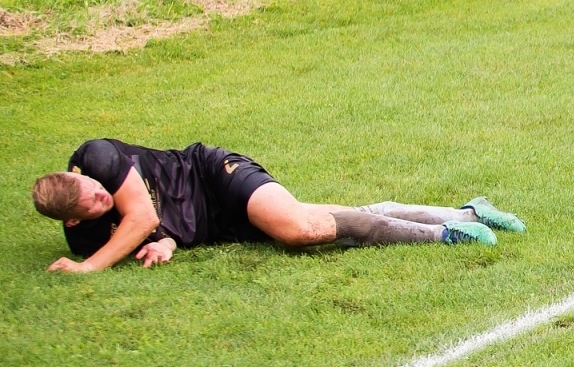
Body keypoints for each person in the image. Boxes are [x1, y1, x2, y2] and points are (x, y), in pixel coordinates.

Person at [31, 137, 527, 272]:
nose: (101, 191)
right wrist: (165, 244)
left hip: (214, 176)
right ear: (73, 219)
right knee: (324, 219)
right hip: (216, 225)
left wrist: (90, 269)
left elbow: (141, 214)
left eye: (94, 185)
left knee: (298, 230)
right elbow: (153, 226)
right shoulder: (86, 236)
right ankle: (466, 213)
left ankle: (444, 236)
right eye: (94, 200)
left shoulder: (95, 157)